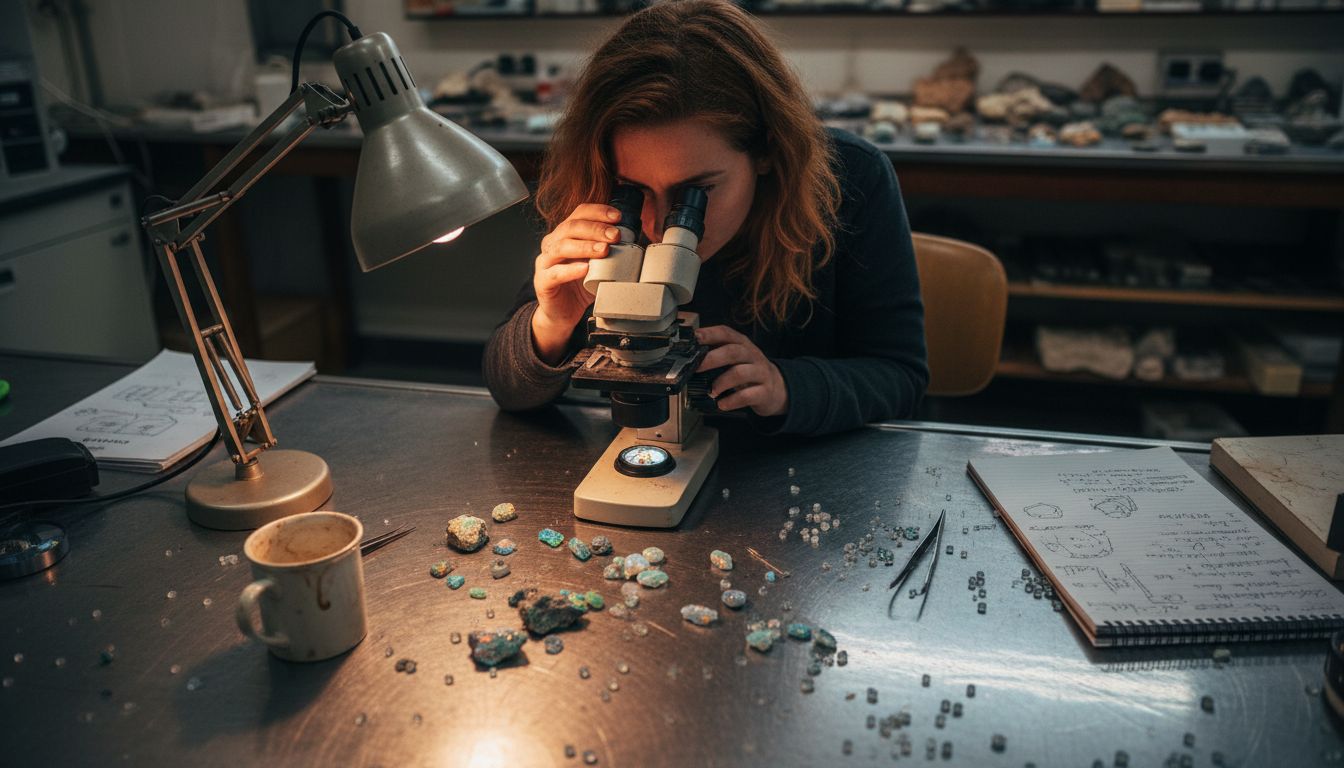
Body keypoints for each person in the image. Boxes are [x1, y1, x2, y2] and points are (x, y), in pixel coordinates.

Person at [483, 0, 927, 436]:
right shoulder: (603, 198)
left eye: (695, 194)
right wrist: (550, 324)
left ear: (767, 152)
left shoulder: (850, 180)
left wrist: (785, 386)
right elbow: (507, 387)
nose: (657, 226)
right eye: (635, 191)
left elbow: (901, 376)